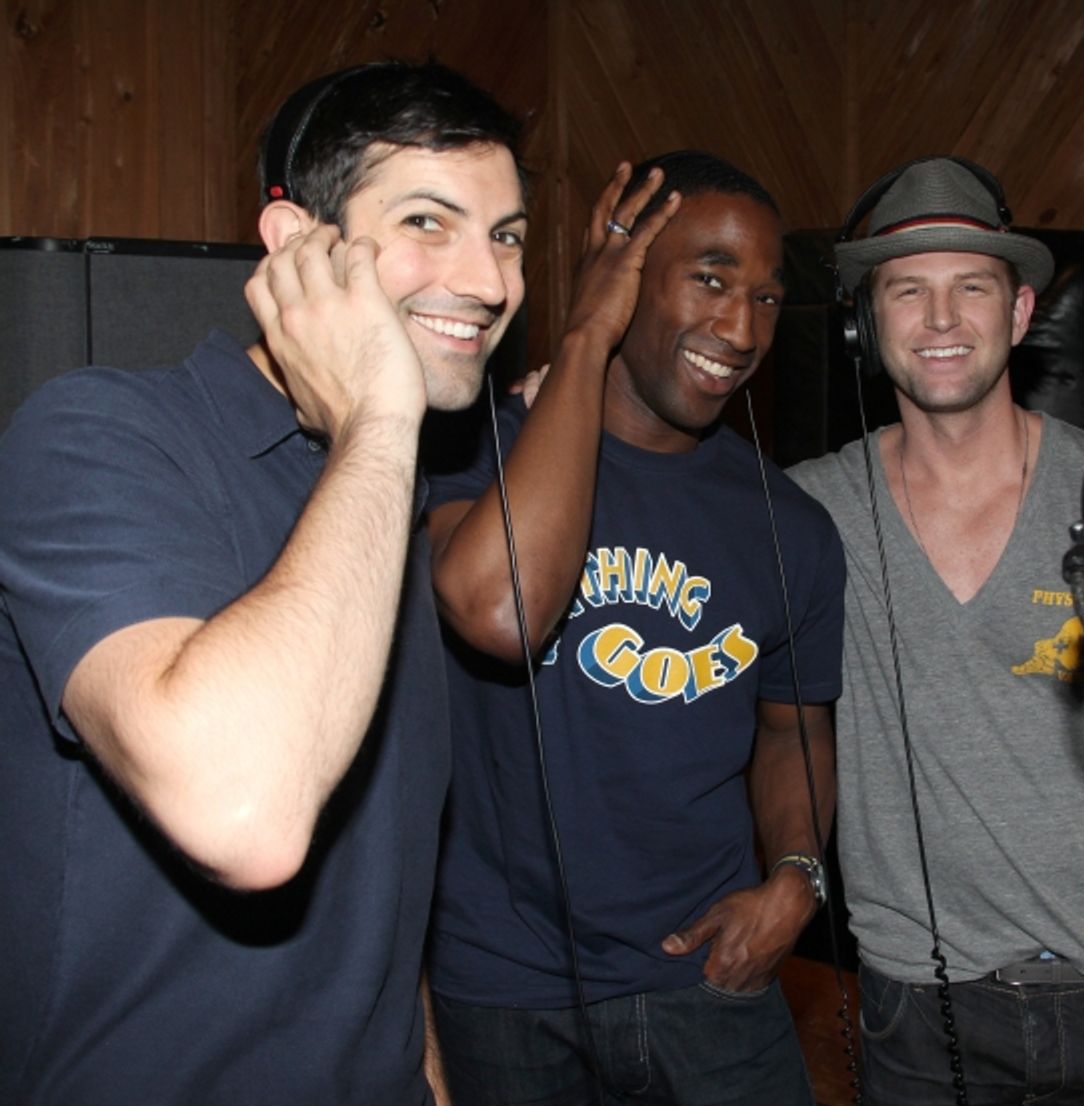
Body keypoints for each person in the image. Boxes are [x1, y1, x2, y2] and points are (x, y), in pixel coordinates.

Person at [0, 60, 527, 1105]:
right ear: (296, 250)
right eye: (430, 221)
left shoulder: (394, 490)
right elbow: (248, 815)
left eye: (508, 234)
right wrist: (379, 418)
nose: (491, 280)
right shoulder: (98, 434)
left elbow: (376, 879)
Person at [422, 150, 846, 1106]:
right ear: (625, 275)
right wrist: (584, 334)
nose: (740, 329)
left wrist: (797, 879)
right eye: (709, 278)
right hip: (504, 992)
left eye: (769, 299)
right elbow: (499, 606)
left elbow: (795, 730)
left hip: (709, 979)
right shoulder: (464, 454)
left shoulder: (794, 530)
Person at [788, 156, 1084, 1104]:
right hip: (920, 1021)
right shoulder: (805, 518)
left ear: (1018, 315)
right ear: (863, 322)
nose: (940, 323)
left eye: (970, 289)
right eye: (908, 293)